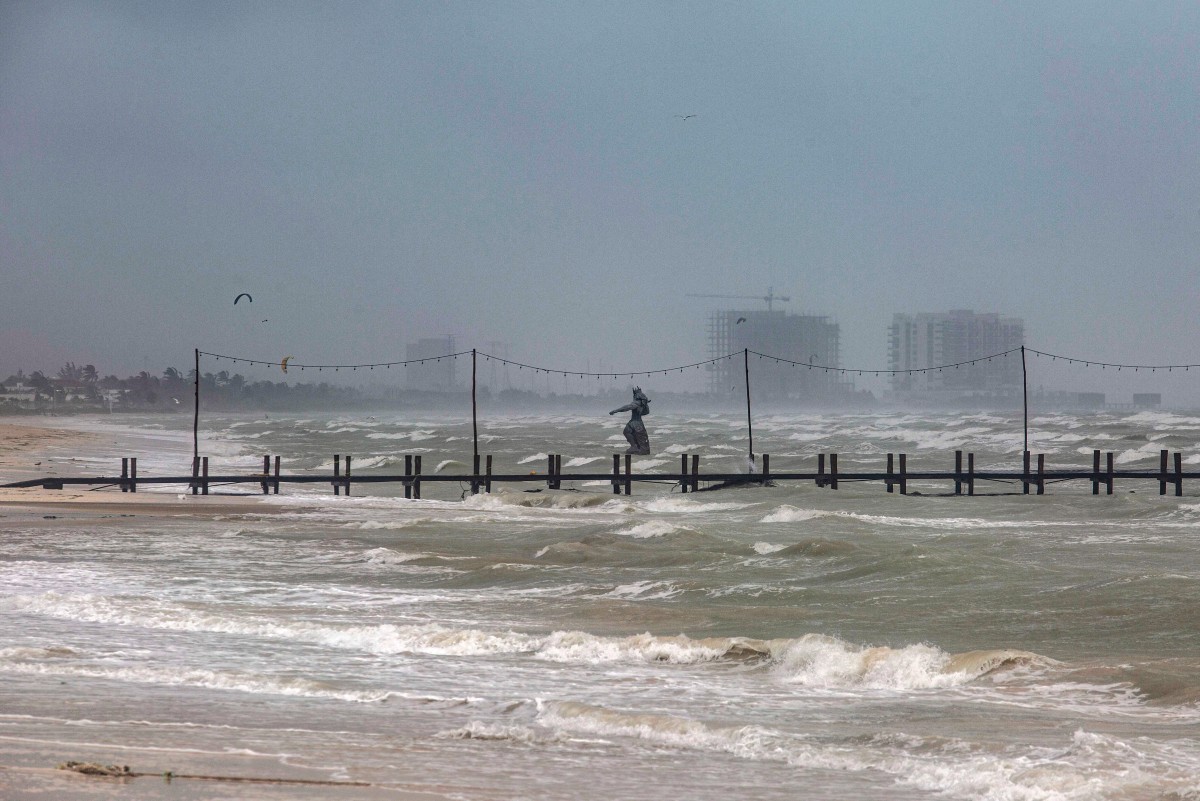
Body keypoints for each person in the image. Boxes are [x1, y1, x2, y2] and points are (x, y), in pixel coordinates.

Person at [610, 387, 651, 455]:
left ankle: (634, 446)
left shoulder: (637, 403)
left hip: (635, 423)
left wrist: (615, 411)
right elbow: (646, 412)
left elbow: (627, 407)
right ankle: (635, 446)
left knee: (631, 434)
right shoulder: (643, 404)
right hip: (636, 422)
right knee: (627, 431)